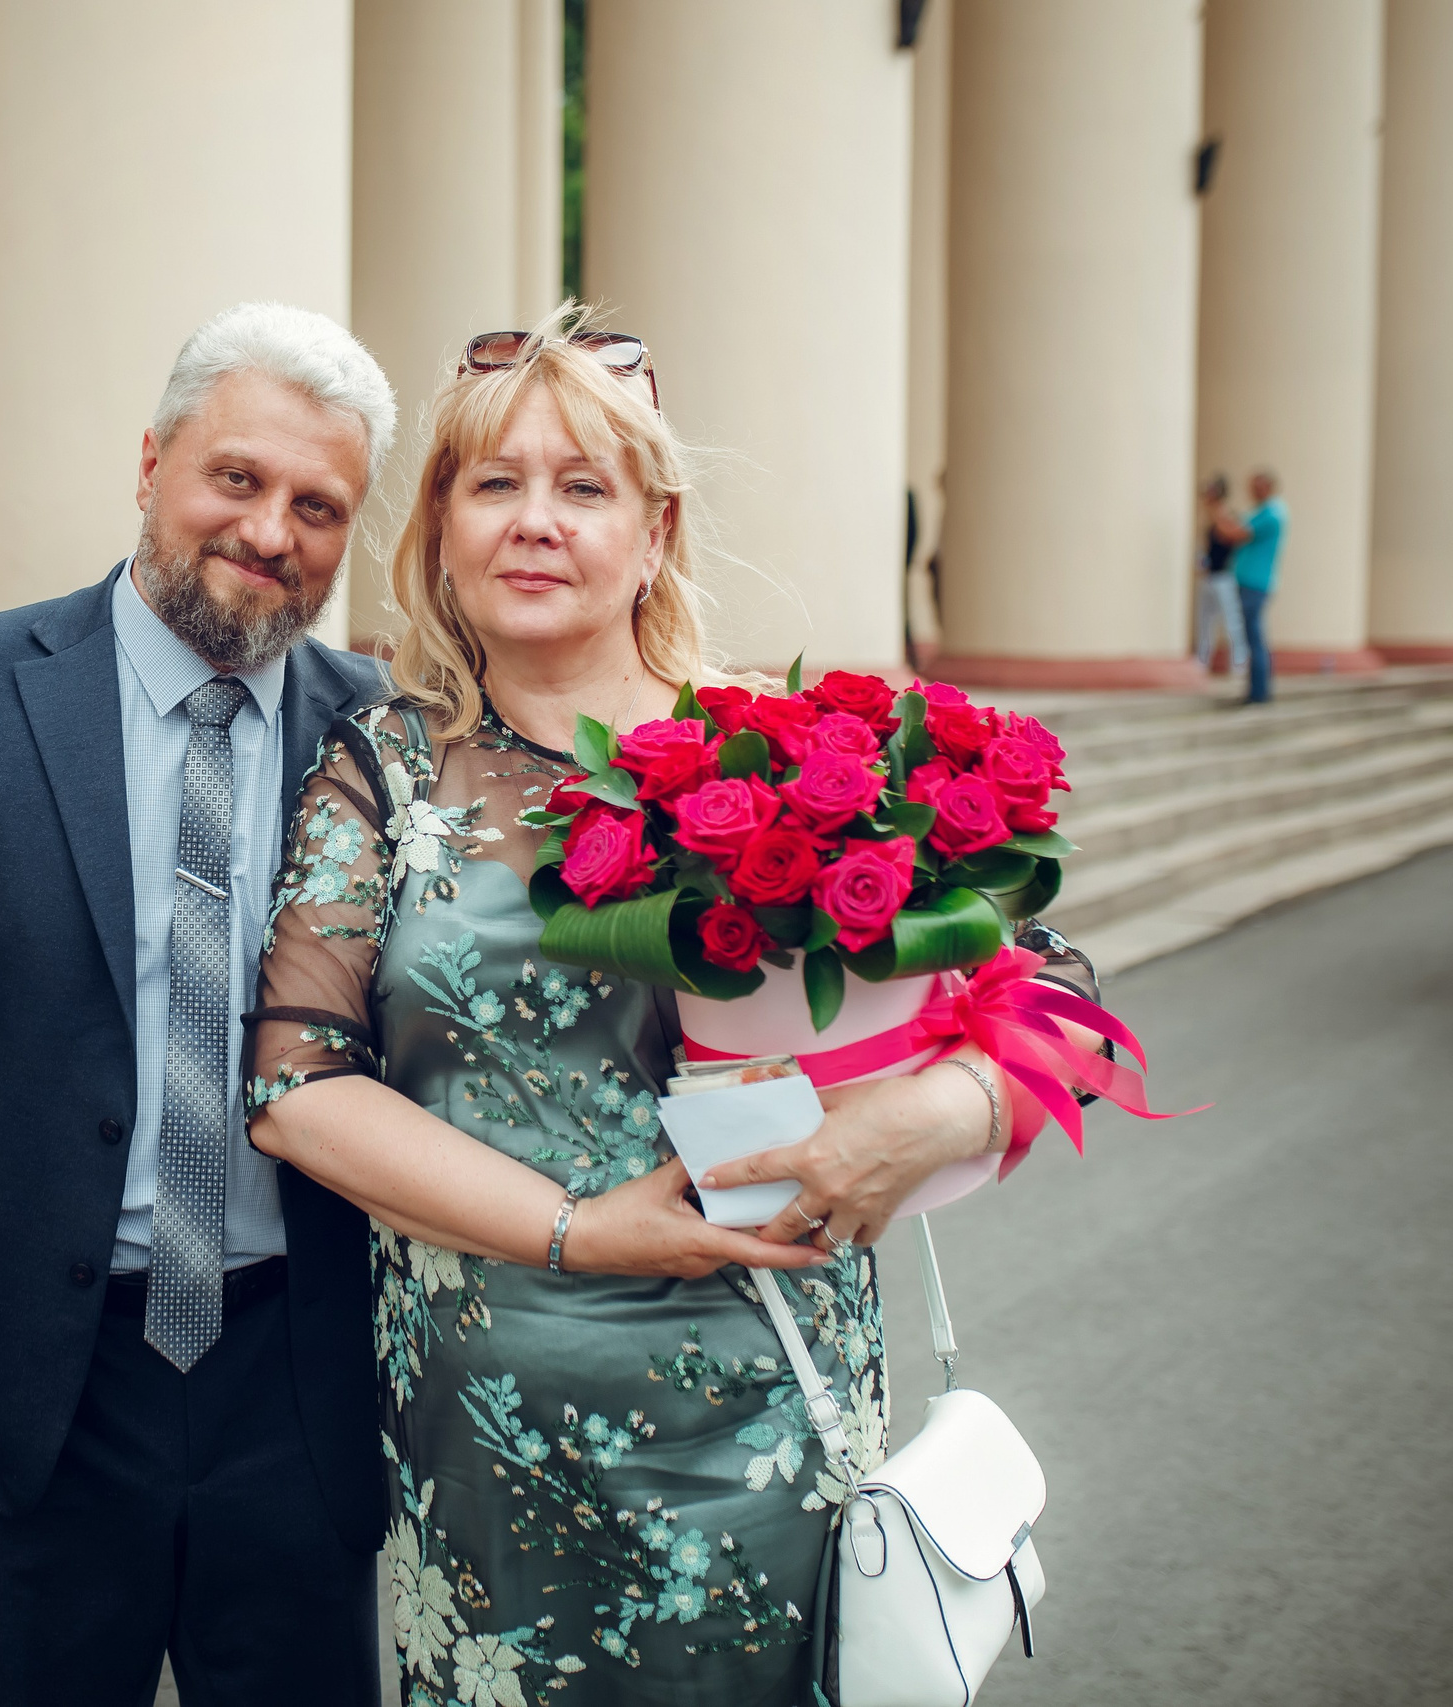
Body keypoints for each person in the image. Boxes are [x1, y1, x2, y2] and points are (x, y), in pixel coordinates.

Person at [246, 305, 1102, 1705]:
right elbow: (298, 1083)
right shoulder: (383, 767)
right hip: (486, 1438)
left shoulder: (781, 743)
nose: (537, 521)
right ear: (443, 525)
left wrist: (929, 1114)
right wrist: (581, 1230)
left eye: (584, 486)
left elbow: (1052, 986)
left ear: (653, 532)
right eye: (495, 482)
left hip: (768, 1402)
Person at [0, 302, 396, 1706]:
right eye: (236, 477)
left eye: (317, 504)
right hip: (24, 1385)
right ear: (152, 460)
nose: (270, 530)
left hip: (298, 1374)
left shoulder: (388, 735)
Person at [1225, 468, 1287, 704]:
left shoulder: (1272, 512)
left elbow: (1235, 533)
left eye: (1256, 486)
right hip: (1252, 582)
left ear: (1267, 486)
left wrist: (1215, 510)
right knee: (1253, 637)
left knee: (1254, 637)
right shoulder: (1264, 511)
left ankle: (1259, 693)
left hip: (1256, 583)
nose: (1251, 490)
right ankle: (1257, 690)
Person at [1195, 473, 1243, 675]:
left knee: (1232, 622)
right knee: (1204, 623)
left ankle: (1238, 664)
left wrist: (1216, 514)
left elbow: (1230, 537)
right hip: (1210, 577)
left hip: (1225, 577)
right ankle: (1201, 662)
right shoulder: (1210, 516)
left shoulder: (1227, 516)